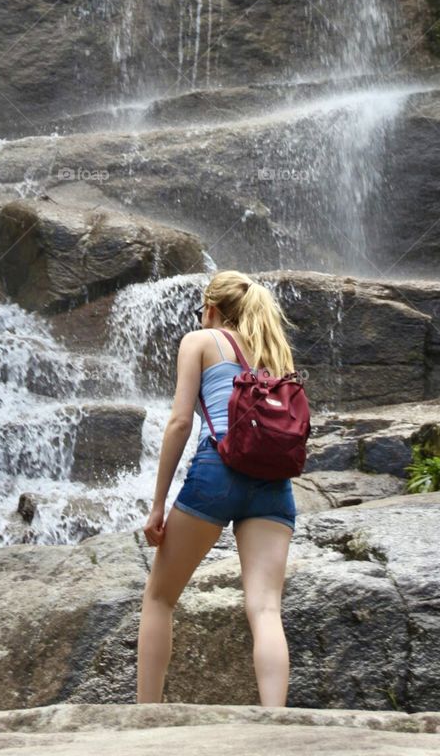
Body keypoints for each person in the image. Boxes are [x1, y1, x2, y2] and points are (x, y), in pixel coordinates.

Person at [136, 270, 298, 707]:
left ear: (210, 309)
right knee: (266, 608)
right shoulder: (275, 352)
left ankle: (144, 719)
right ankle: (275, 721)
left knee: (159, 597)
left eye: (200, 311)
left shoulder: (200, 341)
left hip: (218, 470)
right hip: (272, 481)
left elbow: (180, 422)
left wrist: (158, 504)